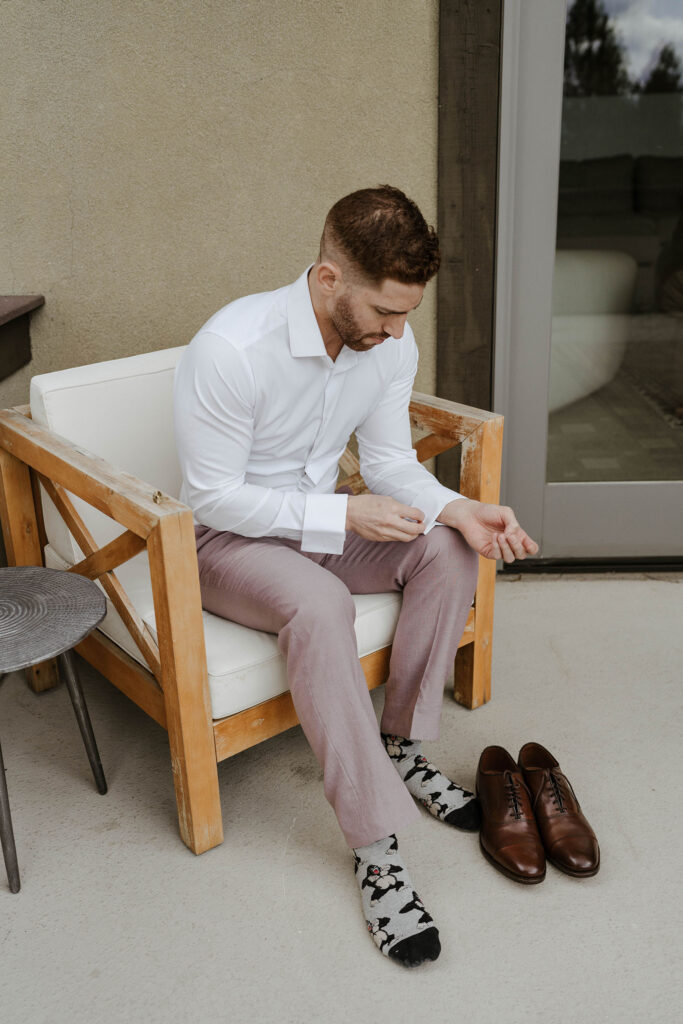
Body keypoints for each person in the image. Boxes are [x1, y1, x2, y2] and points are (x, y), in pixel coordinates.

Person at [173, 185, 538, 968]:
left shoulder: (387, 345)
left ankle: (400, 742)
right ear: (329, 278)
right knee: (319, 601)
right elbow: (211, 495)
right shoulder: (231, 348)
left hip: (325, 517)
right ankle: (376, 847)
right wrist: (344, 518)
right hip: (224, 541)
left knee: (446, 549)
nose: (397, 333)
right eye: (385, 311)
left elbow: (388, 465)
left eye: (408, 314)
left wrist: (458, 509)